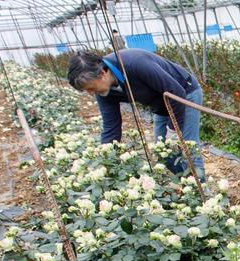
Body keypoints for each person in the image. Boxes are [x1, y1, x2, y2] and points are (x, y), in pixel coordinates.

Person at [66, 49, 204, 178]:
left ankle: (202, 193)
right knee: (163, 152)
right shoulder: (103, 91)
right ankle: (187, 183)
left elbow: (176, 92)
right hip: (161, 105)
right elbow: (111, 126)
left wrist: (173, 130)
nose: (91, 93)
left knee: (187, 148)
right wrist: (106, 159)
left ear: (102, 73)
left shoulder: (135, 63)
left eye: (91, 88)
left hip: (184, 94)